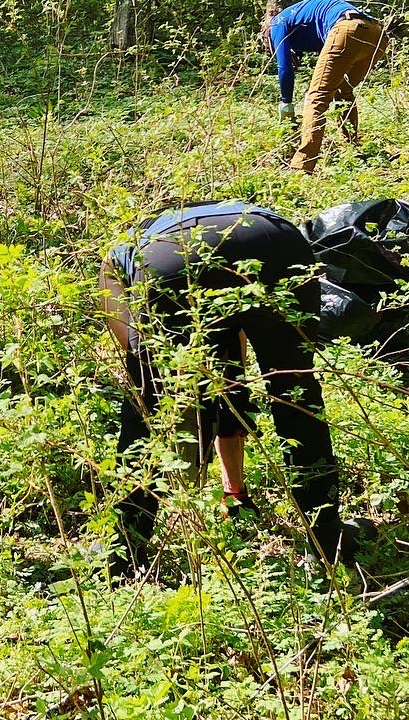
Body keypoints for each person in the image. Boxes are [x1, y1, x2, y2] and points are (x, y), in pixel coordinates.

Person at [101, 200, 345, 565]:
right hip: (278, 242)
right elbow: (234, 367)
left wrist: (161, 384)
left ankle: (122, 555)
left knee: (148, 412)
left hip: (172, 261)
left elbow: (135, 344)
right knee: (298, 398)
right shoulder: (237, 212)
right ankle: (329, 543)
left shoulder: (121, 255)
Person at [264, 0, 387, 174]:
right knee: (343, 91)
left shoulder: (277, 23)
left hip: (347, 28)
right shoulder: (299, 18)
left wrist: (286, 103)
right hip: (377, 34)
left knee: (316, 98)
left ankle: (302, 167)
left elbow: (285, 68)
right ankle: (351, 150)